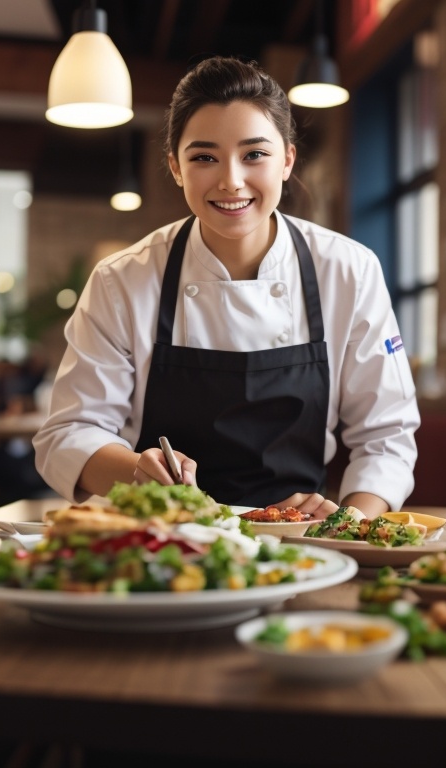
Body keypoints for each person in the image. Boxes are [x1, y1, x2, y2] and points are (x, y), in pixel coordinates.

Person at [33, 56, 419, 519]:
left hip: (300, 542)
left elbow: (386, 436)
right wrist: (137, 473)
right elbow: (68, 434)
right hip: (160, 539)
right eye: (204, 157)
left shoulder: (349, 270)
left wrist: (350, 523)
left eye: (254, 154)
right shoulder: (122, 280)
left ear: (287, 160)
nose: (230, 180)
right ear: (176, 167)